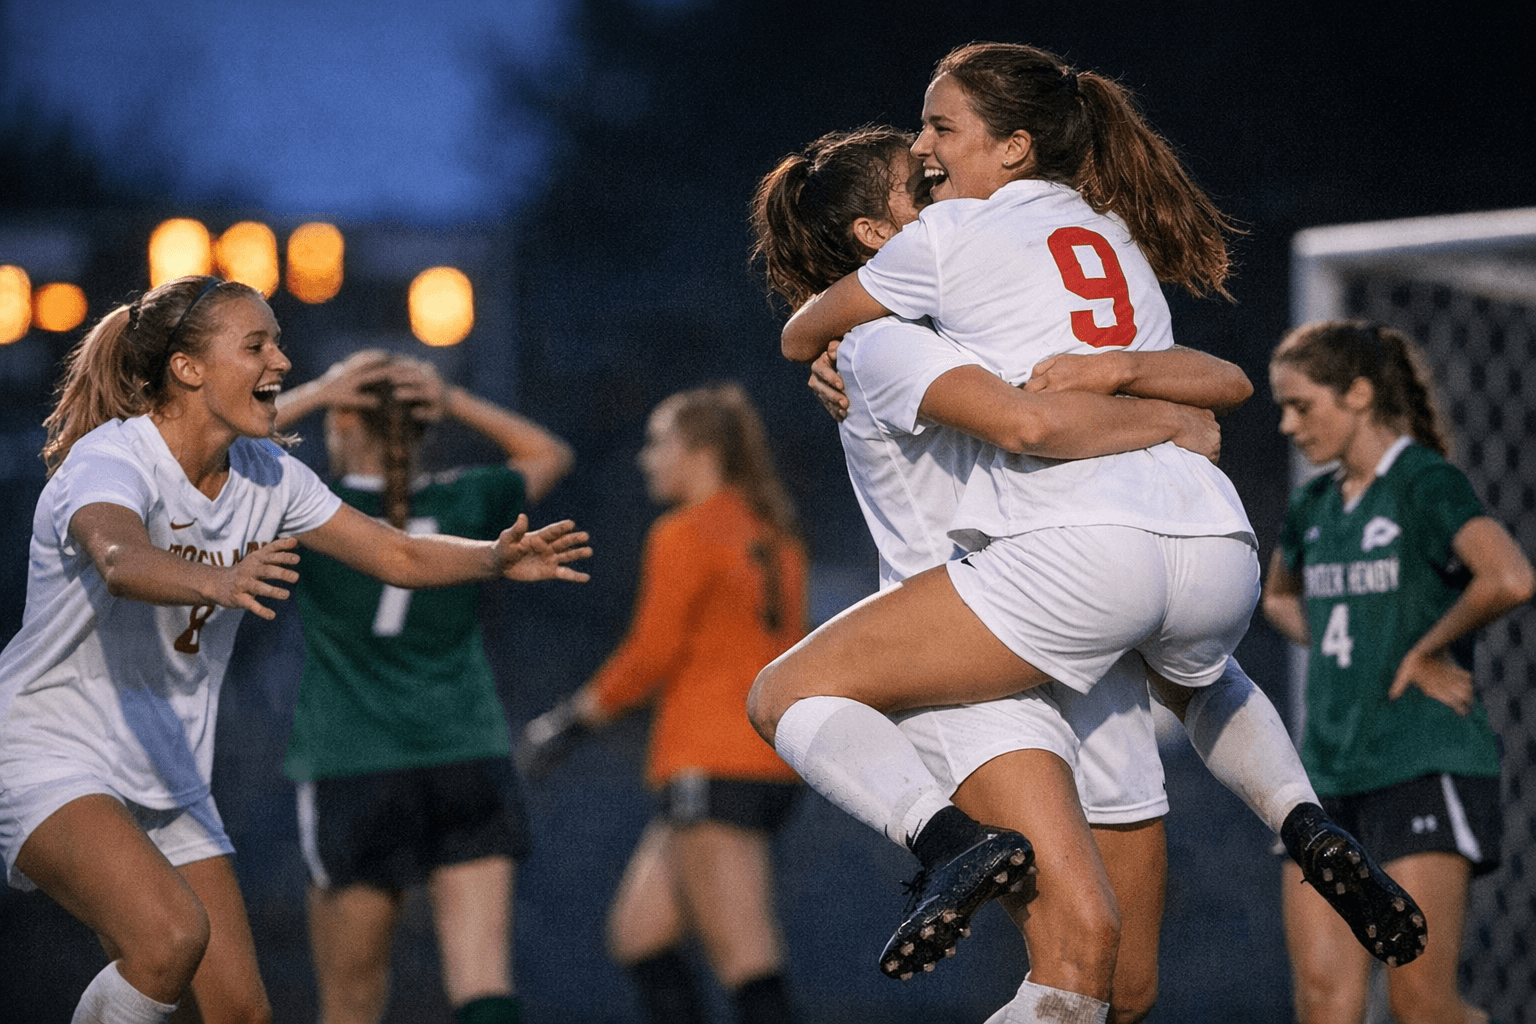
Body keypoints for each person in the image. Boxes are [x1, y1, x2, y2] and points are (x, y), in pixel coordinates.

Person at [745, 45, 1424, 1022]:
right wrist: (1167, 418)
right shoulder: (884, 339)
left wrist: (1151, 394)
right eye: (918, 171)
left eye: (942, 141)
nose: (938, 171)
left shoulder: (981, 301)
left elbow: (1174, 388)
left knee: (1124, 982)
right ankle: (942, 839)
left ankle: (1296, 814)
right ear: (874, 233)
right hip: (973, 638)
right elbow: (1038, 420)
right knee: (1074, 956)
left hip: (1068, 620)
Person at [0, 276, 590, 1024]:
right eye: (257, 345)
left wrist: (494, 559)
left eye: (278, 342)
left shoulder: (268, 474)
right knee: (170, 941)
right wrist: (216, 579)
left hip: (164, 761)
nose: (281, 360)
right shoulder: (112, 459)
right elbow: (120, 559)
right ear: (187, 367)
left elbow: (398, 556)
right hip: (49, 747)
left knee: (244, 1013)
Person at [270, 350, 575, 1024]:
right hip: (465, 752)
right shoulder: (467, 498)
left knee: (350, 1001)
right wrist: (454, 397)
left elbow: (211, 450)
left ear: (345, 417)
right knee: (484, 988)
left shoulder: (312, 506)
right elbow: (549, 452)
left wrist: (317, 392)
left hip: (354, 762)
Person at [1263, 320, 1533, 1024]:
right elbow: (1279, 598)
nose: (1288, 425)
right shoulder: (1314, 505)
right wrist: (1343, 641)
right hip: (1326, 777)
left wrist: (1425, 649)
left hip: (1420, 762)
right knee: (1325, 1002)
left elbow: (1507, 577)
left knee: (1421, 1005)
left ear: (1357, 394)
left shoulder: (1424, 480)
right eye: (1281, 409)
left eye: (1302, 405)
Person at [518, 383, 808, 1024]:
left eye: (658, 443)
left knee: (747, 962)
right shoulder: (774, 534)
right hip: (767, 760)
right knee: (640, 933)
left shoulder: (684, 532)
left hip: (712, 768)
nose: (647, 459)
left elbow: (650, 655)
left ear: (700, 452)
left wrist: (568, 721)